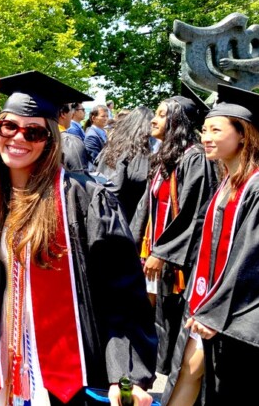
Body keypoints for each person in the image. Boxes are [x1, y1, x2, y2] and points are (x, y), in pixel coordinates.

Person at [0, 70, 157, 406]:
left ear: (50, 138)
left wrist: (124, 377)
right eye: (8, 126)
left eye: (34, 132)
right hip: (6, 367)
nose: (18, 137)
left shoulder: (86, 199)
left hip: (67, 374)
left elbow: (124, 296)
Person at [163, 84, 259, 405]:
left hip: (238, 312)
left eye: (216, 130)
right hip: (209, 302)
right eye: (204, 129)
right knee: (189, 372)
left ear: (243, 135)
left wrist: (213, 312)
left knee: (201, 376)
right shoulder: (227, 183)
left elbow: (249, 258)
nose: (206, 137)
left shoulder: (255, 186)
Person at [131, 84, 219, 379]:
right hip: (155, 254)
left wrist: (163, 252)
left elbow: (195, 213)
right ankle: (159, 371)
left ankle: (173, 378)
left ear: (177, 122)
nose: (154, 120)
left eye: (161, 115)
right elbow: (148, 205)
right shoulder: (166, 158)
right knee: (155, 316)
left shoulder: (194, 158)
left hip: (178, 261)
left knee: (171, 316)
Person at [96, 106, 154, 223]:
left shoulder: (112, 146)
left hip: (104, 210)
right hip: (126, 213)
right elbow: (139, 179)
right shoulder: (140, 153)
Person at [59, 101, 91, 172]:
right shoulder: (69, 141)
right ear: (63, 114)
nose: (72, 114)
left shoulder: (43, 136)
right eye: (71, 110)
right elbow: (79, 177)